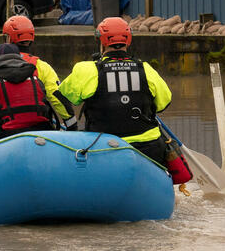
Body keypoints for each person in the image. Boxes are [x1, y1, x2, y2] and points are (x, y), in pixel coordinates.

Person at [58, 16, 175, 167]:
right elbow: (163, 103)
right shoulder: (146, 69)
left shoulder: (86, 69)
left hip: (104, 146)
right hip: (148, 148)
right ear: (128, 41)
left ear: (101, 42)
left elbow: (66, 95)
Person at [0, 15, 76, 130]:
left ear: (8, 38)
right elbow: (58, 98)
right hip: (37, 127)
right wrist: (72, 125)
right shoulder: (41, 66)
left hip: (4, 126)